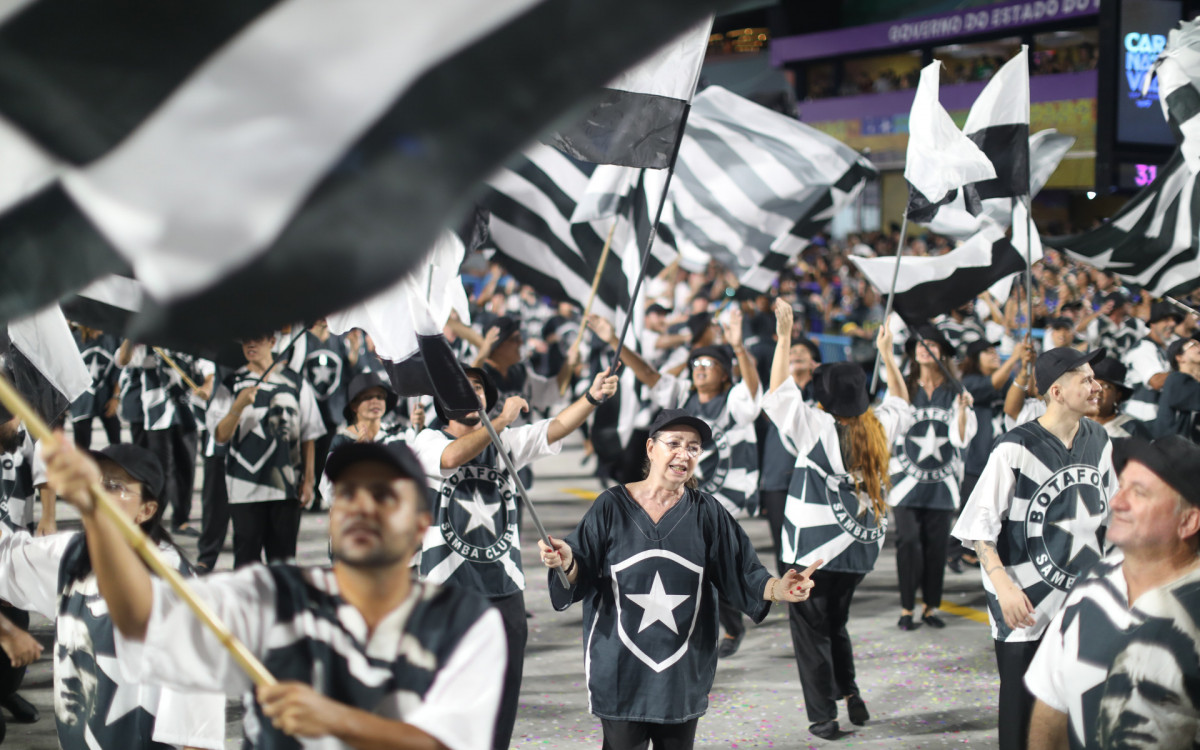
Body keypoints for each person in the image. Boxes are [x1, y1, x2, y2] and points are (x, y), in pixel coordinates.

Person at [44, 439, 506, 750]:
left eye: (384, 495)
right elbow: (145, 623)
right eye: (346, 494)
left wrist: (334, 720)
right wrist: (95, 510)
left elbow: (450, 743)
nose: (361, 506)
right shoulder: (274, 593)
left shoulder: (466, 621)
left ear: (422, 525)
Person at [537, 408, 816, 750]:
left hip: (680, 671)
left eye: (694, 447)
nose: (684, 453)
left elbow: (744, 571)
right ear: (651, 448)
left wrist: (780, 589)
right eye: (675, 443)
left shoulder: (707, 512)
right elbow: (578, 569)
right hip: (621, 668)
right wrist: (566, 562)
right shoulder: (611, 506)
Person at [412, 365, 618, 750]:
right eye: (460, 388)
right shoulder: (425, 440)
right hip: (447, 589)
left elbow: (555, 428)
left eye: (477, 388)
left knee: (503, 695)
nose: (471, 394)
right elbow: (453, 457)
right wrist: (503, 418)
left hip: (504, 585)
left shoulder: (505, 441)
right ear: (442, 400)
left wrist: (591, 398)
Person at [1, 442, 224, 749]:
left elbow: (196, 733)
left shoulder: (176, 590)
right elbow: (6, 558)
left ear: (146, 510)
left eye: (115, 486)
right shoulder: (72, 552)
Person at [952, 347, 1118, 750]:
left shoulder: (1099, 437)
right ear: (1057, 392)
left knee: (1079, 711)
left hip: (1082, 601)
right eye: (1087, 380)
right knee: (1022, 717)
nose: (1098, 387)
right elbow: (980, 529)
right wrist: (1004, 588)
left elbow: (1111, 520)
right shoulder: (1014, 448)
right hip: (1025, 603)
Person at [762, 301, 913, 739]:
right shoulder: (879, 427)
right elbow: (900, 398)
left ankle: (824, 716)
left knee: (811, 631)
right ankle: (851, 694)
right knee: (835, 623)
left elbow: (776, 393)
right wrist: (886, 354)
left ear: (824, 396)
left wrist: (785, 335)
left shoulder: (819, 427)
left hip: (811, 552)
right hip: (860, 551)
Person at [588, 309, 762, 657]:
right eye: (695, 364)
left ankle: (733, 621)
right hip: (687, 498)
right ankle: (716, 622)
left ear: (725, 374)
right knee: (697, 564)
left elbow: (753, 390)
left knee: (721, 562)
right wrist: (612, 340)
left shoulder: (736, 401)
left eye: (708, 364)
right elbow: (650, 375)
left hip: (727, 497)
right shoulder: (683, 395)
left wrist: (738, 347)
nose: (698, 369)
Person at [1026, 436, 1200, 749]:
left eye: (1140, 492)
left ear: (1188, 521)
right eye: (1121, 486)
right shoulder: (1090, 587)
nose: (1117, 502)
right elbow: (1052, 706)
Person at [208, 333, 325, 567]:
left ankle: (282, 604)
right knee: (247, 562)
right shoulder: (231, 384)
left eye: (258, 339)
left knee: (283, 562)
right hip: (244, 488)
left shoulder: (296, 383)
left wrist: (309, 480)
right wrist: (237, 406)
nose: (250, 343)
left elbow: (309, 434)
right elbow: (220, 436)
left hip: (286, 487)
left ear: (273, 342)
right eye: (246, 339)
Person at [889, 326, 976, 630]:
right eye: (919, 345)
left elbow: (962, 438)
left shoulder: (955, 391)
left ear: (943, 352)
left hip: (942, 484)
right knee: (908, 541)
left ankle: (930, 607)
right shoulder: (903, 386)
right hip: (903, 483)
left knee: (936, 546)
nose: (925, 348)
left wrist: (964, 411)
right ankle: (905, 607)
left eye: (932, 344)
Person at [116, 342, 200, 536]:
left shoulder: (188, 332)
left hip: (185, 408)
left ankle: (181, 519)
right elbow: (123, 360)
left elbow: (203, 365)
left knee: (185, 464)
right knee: (157, 469)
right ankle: (150, 520)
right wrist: (132, 338)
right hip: (152, 412)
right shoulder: (142, 338)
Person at [1122, 301, 1181, 423]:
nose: (1172, 324)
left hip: (1153, 416)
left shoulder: (1164, 346)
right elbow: (1156, 381)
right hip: (1137, 418)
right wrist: (1187, 370)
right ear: (1153, 323)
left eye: (1174, 320)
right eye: (1166, 319)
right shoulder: (1143, 348)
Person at [68, 326, 121, 451]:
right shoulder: (74, 339)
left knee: (116, 442)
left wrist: (115, 397)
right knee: (82, 449)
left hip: (105, 397)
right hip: (81, 401)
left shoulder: (111, 338)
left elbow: (119, 368)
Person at [1152, 333, 1200, 442]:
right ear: (1180, 358)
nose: (1199, 347)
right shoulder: (1176, 380)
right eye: (1193, 345)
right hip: (1172, 453)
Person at [1091, 357, 1152, 439]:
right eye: (1092, 384)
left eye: (1106, 386)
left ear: (1117, 395)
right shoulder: (1073, 423)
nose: (1098, 390)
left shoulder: (1131, 428)